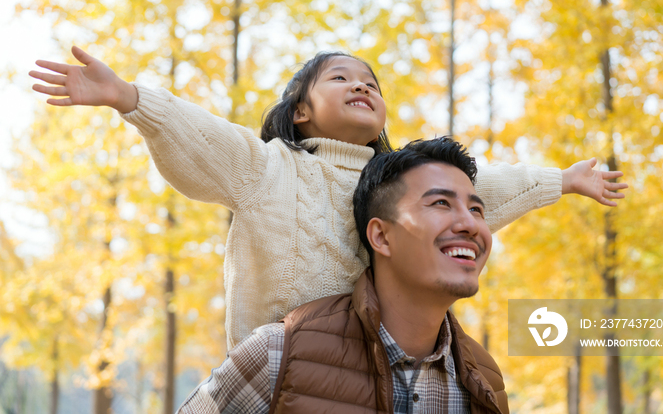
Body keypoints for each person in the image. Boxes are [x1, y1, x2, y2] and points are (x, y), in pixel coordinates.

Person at [29, 47, 628, 349]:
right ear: (300, 111)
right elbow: (203, 136)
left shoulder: (401, 185)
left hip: (377, 376)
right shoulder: (266, 168)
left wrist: (562, 181)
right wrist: (132, 99)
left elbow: (479, 195)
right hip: (277, 375)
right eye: (340, 77)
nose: (362, 85)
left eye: (372, 82)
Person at [178, 137, 509, 413]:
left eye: (476, 209)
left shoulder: (486, 380)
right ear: (381, 236)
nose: (470, 224)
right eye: (440, 203)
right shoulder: (281, 352)